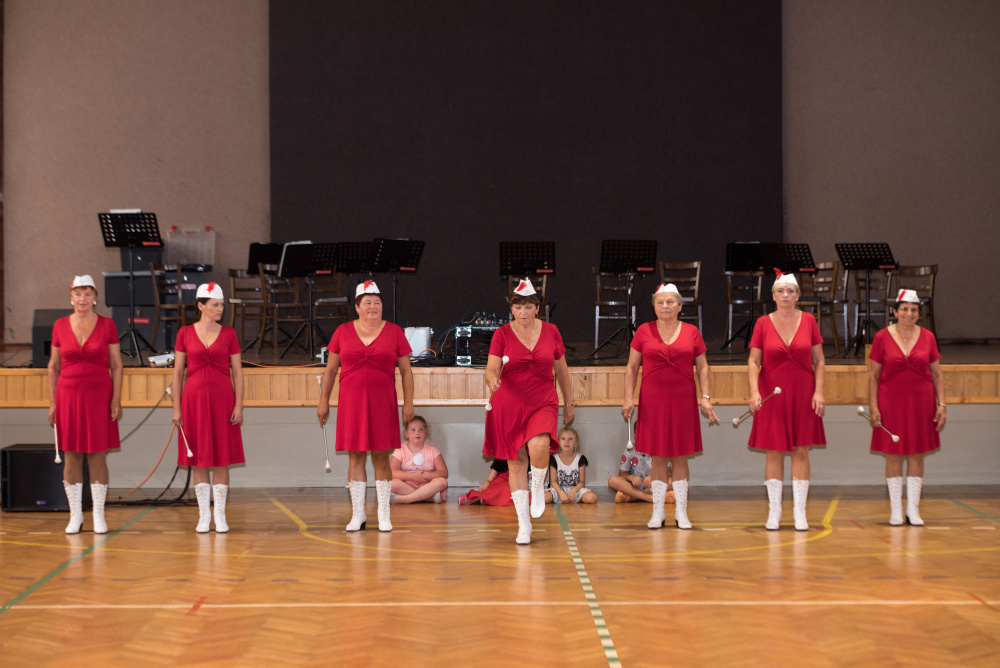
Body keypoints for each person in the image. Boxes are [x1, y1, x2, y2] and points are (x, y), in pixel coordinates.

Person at [483, 277, 574, 544]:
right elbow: (491, 368)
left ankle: (538, 486)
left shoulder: (552, 331)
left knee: (540, 444)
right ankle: (524, 524)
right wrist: (492, 379)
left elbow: (562, 371)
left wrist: (569, 402)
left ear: (537, 308)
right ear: (511, 309)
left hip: (542, 399)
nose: (522, 313)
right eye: (517, 307)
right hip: (508, 403)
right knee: (516, 462)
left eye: (528, 307)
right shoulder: (501, 334)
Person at [318, 280, 414, 532]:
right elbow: (330, 371)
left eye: (377, 302)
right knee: (355, 456)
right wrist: (323, 401)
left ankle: (383, 514)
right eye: (368, 302)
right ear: (357, 307)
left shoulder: (395, 331)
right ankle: (358, 513)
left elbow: (406, 372)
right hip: (352, 403)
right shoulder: (342, 331)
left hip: (383, 403)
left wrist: (408, 403)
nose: (373, 306)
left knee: (381, 457)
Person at [623, 283, 718, 530]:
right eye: (660, 302)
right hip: (653, 401)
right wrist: (628, 398)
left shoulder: (692, 332)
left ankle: (681, 512)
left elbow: (703, 367)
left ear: (679, 306)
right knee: (658, 457)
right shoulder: (643, 331)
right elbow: (631, 368)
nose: (665, 306)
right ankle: (658, 512)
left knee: (680, 457)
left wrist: (705, 397)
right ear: (654, 306)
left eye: (670, 302)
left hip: (683, 400)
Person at [747, 269, 826, 531]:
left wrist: (819, 391)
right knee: (774, 450)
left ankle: (800, 512)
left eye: (790, 291)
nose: (785, 295)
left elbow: (819, 360)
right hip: (772, 393)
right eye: (780, 291)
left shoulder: (810, 321)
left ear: (798, 295)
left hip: (803, 393)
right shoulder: (762, 323)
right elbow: (753, 361)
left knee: (801, 449)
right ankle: (775, 511)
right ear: (773, 295)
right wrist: (754, 392)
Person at [48, 275, 123, 534]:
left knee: (98, 454)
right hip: (67, 397)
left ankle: (99, 515)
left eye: (88, 294)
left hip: (99, 396)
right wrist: (52, 403)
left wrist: (116, 400)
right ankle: (75, 515)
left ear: (95, 298)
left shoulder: (108, 325)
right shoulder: (59, 325)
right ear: (71, 297)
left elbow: (117, 365)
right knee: (71, 455)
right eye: (78, 294)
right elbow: (53, 366)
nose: (83, 299)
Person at [171, 283, 245, 533]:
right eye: (215, 305)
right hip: (193, 402)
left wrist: (239, 405)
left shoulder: (229, 334)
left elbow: (238, 372)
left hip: (223, 401)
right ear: (201, 306)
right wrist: (177, 408)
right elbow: (177, 373)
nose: (220, 309)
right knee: (199, 460)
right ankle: (204, 515)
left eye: (222, 305)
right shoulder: (184, 333)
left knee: (222, 459)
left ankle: (220, 515)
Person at [868, 289, 945, 526]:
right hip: (890, 401)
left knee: (916, 454)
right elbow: (873, 376)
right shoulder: (882, 336)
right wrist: (874, 406)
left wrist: (941, 404)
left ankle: (913, 509)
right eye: (904, 309)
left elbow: (937, 374)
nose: (909, 313)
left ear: (919, 313)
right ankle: (895, 510)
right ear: (895, 311)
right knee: (893, 455)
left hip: (921, 402)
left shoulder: (928, 337)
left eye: (913, 310)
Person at [390, 416, 449, 504]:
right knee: (391, 483)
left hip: (427, 485)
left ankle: (405, 499)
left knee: (442, 482)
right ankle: (429, 497)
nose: (417, 433)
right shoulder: (400, 449)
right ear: (406, 433)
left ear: (426, 433)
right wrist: (413, 477)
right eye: (413, 430)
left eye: (421, 430)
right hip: (407, 485)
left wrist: (427, 476)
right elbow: (391, 472)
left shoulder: (433, 450)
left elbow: (444, 472)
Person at [545, 427, 598, 505]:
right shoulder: (554, 459)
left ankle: (575, 498)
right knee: (544, 497)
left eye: (570, 439)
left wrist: (574, 490)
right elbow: (553, 482)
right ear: (558, 441)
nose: (566, 441)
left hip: (575, 490)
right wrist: (561, 493)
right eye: (563, 438)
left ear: (575, 443)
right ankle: (561, 498)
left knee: (592, 498)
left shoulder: (580, 459)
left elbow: (582, 482)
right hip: (558, 491)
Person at [607, 447, 674, 504]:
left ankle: (632, 497)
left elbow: (669, 473)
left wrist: (653, 477)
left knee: (673, 481)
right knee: (612, 480)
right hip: (633, 487)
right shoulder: (629, 450)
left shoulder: (659, 449)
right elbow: (622, 474)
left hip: (652, 487)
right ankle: (650, 497)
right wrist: (631, 477)